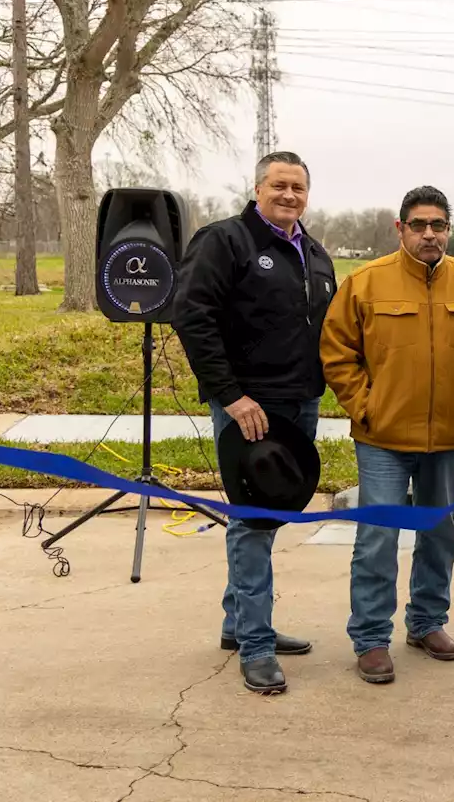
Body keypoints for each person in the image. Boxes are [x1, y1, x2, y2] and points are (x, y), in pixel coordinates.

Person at [320, 185, 454, 685]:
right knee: (378, 537)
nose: (430, 234)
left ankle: (426, 623)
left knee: (438, 534)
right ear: (400, 228)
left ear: (449, 230)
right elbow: (338, 354)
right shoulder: (365, 283)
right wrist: (367, 407)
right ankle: (371, 638)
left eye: (438, 225)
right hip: (382, 437)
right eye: (419, 225)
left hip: (449, 437)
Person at [172, 150, 337, 694]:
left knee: (272, 515)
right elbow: (192, 317)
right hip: (249, 407)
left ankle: (238, 624)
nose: (289, 195)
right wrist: (232, 396)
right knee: (251, 521)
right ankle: (257, 645)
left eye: (298, 188)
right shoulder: (224, 241)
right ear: (258, 187)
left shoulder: (314, 253)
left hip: (299, 402)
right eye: (279, 185)